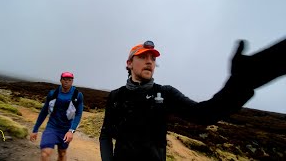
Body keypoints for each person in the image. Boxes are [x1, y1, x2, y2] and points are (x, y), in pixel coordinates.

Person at [99, 39, 286, 161]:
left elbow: (204, 115)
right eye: (143, 57)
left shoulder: (166, 93)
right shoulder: (116, 96)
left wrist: (239, 85)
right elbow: (106, 134)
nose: (150, 61)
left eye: (153, 59)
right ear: (129, 63)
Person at [30, 71, 84, 161]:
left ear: (72, 81)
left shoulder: (78, 95)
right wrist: (35, 129)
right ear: (60, 80)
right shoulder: (52, 94)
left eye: (69, 80)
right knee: (45, 153)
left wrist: (71, 131)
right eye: (64, 79)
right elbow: (44, 112)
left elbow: (78, 114)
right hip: (52, 127)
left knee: (62, 153)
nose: (67, 81)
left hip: (66, 129)